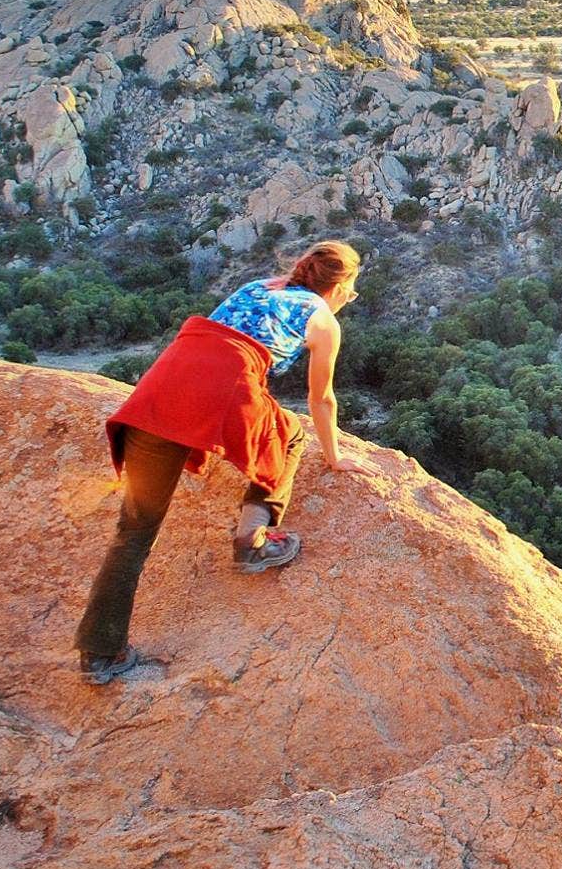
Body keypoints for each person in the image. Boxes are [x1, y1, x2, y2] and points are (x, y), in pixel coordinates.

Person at [73, 239, 375, 684]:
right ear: (341, 285)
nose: (352, 298)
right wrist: (334, 456)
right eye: (351, 288)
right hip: (222, 393)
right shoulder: (324, 321)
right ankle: (252, 541)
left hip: (160, 390)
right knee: (289, 433)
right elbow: (321, 399)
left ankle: (100, 654)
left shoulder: (259, 286)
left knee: (134, 531)